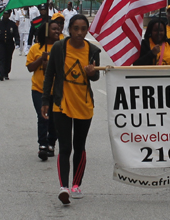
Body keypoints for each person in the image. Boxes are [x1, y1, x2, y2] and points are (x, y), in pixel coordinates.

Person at [41, 14, 101, 205]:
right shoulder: (60, 47)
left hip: (83, 104)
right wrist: (45, 100)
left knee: (79, 146)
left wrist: (92, 73)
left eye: (83, 29)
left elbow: (95, 78)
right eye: (76, 28)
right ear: (69, 29)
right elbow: (50, 73)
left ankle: (76, 184)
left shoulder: (92, 50)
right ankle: (63, 187)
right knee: (65, 146)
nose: (79, 33)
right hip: (62, 104)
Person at [26, 21, 60, 161]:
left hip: (56, 90)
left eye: (58, 29)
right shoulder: (36, 48)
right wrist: (42, 59)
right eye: (54, 29)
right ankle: (43, 145)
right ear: (46, 32)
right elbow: (30, 68)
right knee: (43, 117)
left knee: (54, 119)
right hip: (39, 89)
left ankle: (52, 142)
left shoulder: (61, 47)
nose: (57, 31)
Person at [0, 10, 20, 81]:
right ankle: (1, 74)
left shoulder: (12, 24)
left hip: (9, 44)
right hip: (0, 43)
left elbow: (16, 34)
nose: (5, 16)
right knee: (1, 58)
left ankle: (6, 73)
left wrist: (17, 42)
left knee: (8, 59)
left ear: (9, 15)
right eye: (4, 14)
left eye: (7, 14)